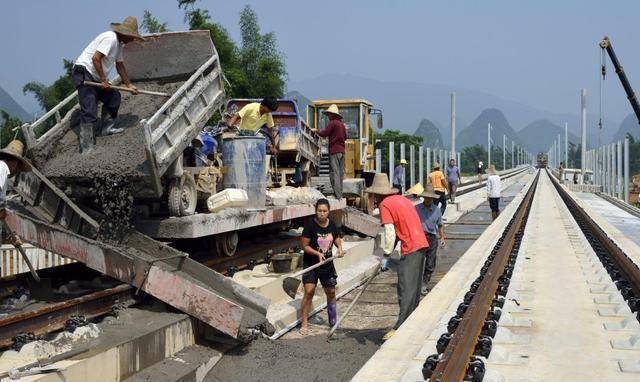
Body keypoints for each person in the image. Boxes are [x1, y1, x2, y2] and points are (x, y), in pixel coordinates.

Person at [367, 173, 428, 341]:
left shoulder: (385, 204)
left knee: (405, 288)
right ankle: (411, 323)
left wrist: (385, 255)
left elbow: (390, 232)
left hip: (411, 247)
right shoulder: (402, 200)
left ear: (377, 195)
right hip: (420, 244)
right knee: (414, 289)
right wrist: (387, 252)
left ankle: (401, 327)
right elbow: (400, 230)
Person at [73, 16, 144, 154]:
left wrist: (129, 85)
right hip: (84, 72)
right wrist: (104, 80)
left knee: (113, 97)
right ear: (125, 33)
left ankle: (106, 129)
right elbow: (95, 58)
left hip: (95, 75)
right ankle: (87, 148)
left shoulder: (118, 45)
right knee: (89, 108)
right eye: (131, 37)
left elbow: (120, 65)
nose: (131, 40)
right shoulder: (111, 38)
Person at [299, 198, 345, 335]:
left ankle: (332, 320)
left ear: (328, 211)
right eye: (319, 211)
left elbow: (336, 237)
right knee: (309, 292)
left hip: (327, 264)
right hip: (311, 264)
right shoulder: (310, 227)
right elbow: (304, 245)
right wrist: (317, 253)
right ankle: (304, 323)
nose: (322, 213)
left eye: (325, 211)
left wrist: (340, 248)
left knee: (331, 292)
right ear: (315, 211)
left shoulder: (332, 225)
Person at [412, 183, 446, 295]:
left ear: (432, 198)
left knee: (430, 263)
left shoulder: (436, 210)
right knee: (417, 262)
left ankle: (424, 283)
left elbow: (440, 225)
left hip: (431, 238)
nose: (428, 199)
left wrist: (442, 238)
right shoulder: (416, 209)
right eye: (426, 197)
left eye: (430, 198)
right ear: (424, 197)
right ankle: (415, 283)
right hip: (419, 237)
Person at [0, 140, 33, 248]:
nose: (16, 173)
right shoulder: (2, 167)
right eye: (18, 169)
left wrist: (10, 236)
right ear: (15, 164)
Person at [312, 105, 346, 199]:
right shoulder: (341, 124)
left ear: (332, 114)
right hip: (342, 151)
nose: (328, 116)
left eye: (329, 114)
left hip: (334, 151)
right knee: (340, 174)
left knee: (334, 173)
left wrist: (316, 131)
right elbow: (345, 137)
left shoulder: (333, 123)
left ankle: (337, 195)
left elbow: (324, 133)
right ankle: (340, 194)